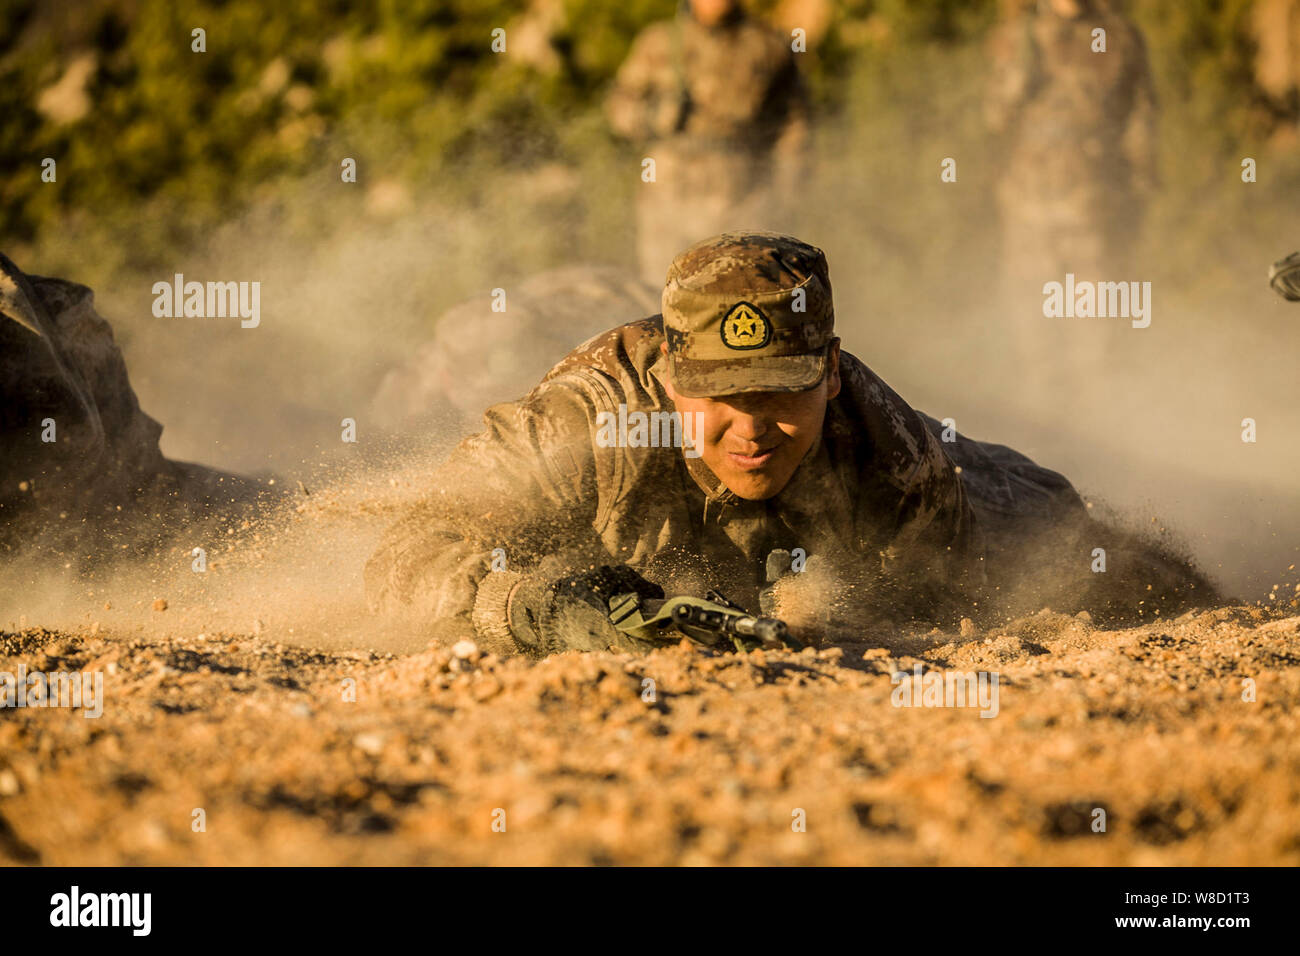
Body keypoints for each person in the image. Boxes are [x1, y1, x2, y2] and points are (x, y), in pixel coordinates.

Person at [365, 232, 1130, 656]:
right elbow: (406, 546)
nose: (752, 429)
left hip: (986, 484)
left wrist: (815, 603)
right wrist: (532, 606)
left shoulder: (891, 455)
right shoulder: (586, 423)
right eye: (722, 398)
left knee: (1079, 542)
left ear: (830, 374)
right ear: (669, 377)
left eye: (779, 394)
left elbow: (964, 594)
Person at [606, 0, 810, 284]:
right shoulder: (659, 42)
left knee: (737, 290)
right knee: (663, 291)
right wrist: (654, 118)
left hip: (741, 193)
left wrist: (784, 190)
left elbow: (794, 126)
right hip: (667, 193)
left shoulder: (768, 45)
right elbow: (619, 107)